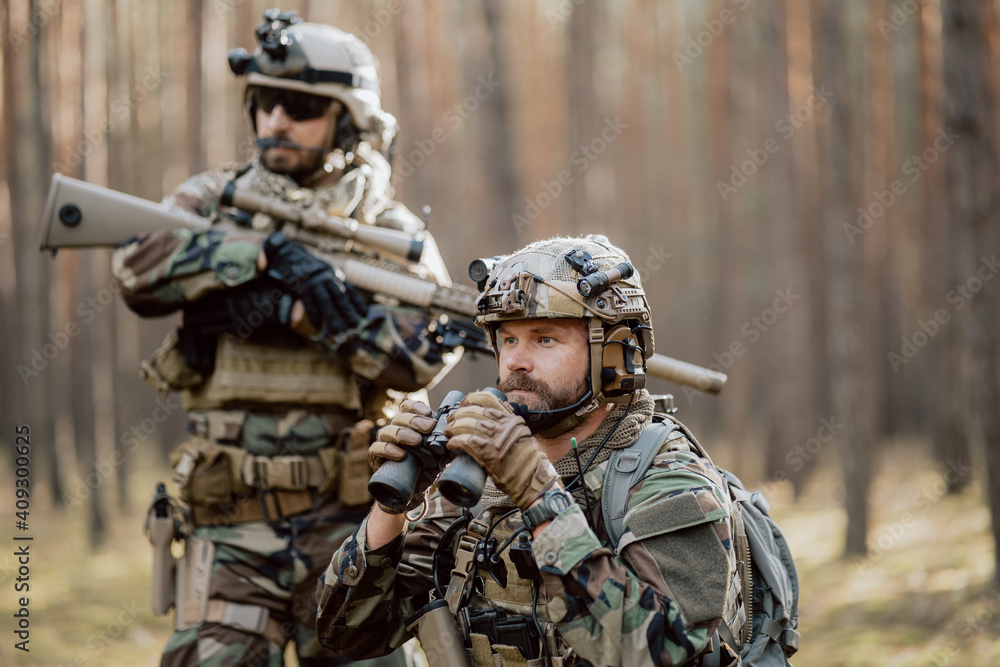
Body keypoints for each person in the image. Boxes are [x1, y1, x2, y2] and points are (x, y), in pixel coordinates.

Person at [113, 9, 457, 667]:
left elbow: (422, 354)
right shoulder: (216, 201)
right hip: (230, 519)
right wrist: (262, 262)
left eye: (298, 106)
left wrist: (315, 316)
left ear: (348, 120)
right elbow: (135, 267)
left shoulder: (387, 230)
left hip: (350, 523)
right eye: (264, 103)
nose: (276, 121)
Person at [316, 235, 744, 666]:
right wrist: (392, 508)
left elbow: (661, 650)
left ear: (612, 354)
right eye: (509, 340)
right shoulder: (476, 483)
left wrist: (537, 491)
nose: (516, 362)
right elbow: (347, 635)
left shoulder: (668, 478)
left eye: (544, 340)